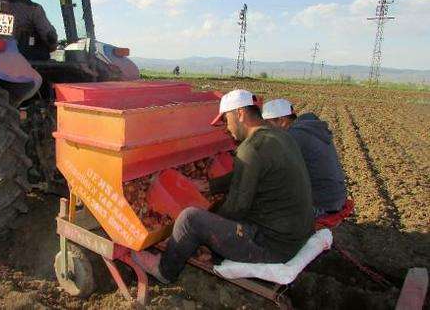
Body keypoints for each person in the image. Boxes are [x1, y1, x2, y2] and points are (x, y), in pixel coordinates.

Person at [132, 89, 314, 283]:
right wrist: (211, 186)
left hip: (271, 246)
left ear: (240, 114)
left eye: (226, 119)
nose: (227, 128)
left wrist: (205, 228)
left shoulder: (251, 148)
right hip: (295, 235)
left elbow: (238, 207)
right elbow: (248, 173)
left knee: (190, 219)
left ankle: (165, 270)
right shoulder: (279, 137)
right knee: (215, 210)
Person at [262, 99, 347, 218]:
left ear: (282, 121)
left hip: (321, 205)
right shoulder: (309, 130)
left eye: (268, 124)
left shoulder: (294, 136)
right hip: (335, 198)